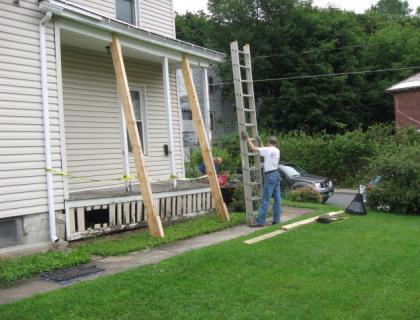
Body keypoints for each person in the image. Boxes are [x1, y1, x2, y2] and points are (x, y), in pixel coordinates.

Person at [244, 133, 282, 227]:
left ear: (269, 142)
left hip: (270, 176)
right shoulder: (277, 150)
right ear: (275, 143)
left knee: (266, 199)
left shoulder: (267, 149)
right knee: (277, 198)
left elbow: (253, 148)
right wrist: (260, 142)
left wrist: (247, 139)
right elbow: (264, 150)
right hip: (276, 174)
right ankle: (276, 220)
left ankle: (260, 222)